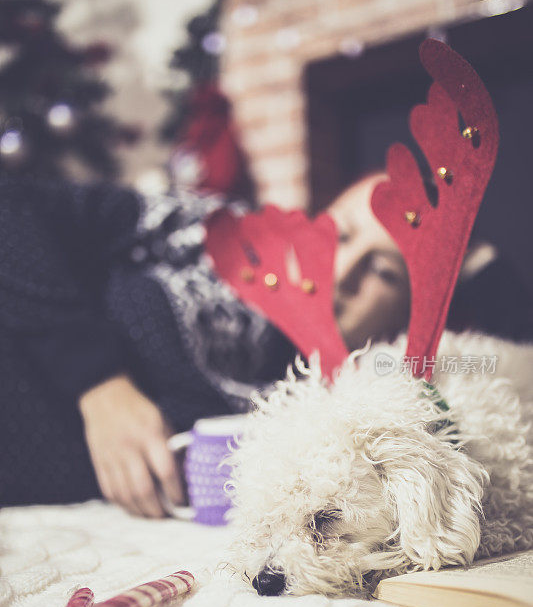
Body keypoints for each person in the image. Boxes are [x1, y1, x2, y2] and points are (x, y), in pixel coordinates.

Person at [1, 172, 530, 514]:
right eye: (341, 236)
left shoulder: (363, 386)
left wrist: (471, 253)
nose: (342, 270)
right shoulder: (216, 233)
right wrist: (99, 384)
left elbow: (504, 353)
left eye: (385, 273)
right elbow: (12, 204)